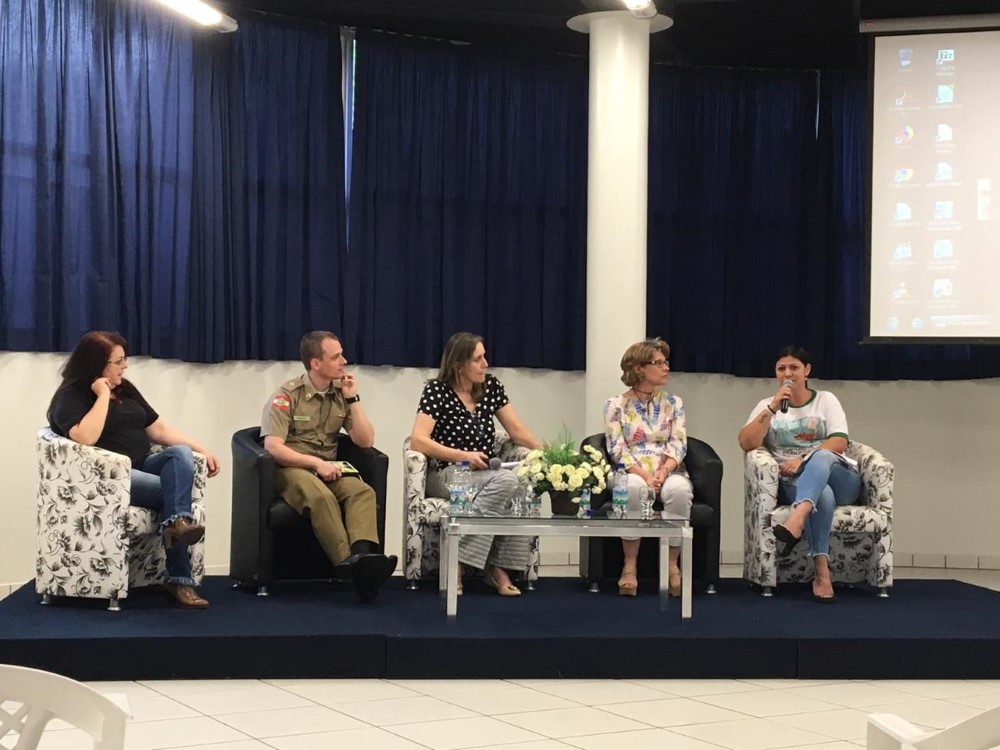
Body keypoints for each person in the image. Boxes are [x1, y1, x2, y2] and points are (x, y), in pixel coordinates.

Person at [47, 331, 220, 609]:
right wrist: (102, 394)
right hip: (107, 479)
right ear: (97, 364)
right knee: (175, 493)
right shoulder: (70, 397)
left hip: (142, 464)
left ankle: (177, 523)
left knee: (181, 454)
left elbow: (158, 429)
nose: (124, 366)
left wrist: (203, 448)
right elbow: (85, 437)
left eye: (124, 360)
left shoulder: (126, 389)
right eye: (118, 361)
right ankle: (179, 578)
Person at [261, 331, 396, 603]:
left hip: (329, 467)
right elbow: (273, 447)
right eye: (336, 357)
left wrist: (353, 399)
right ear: (315, 363)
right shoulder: (288, 394)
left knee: (362, 491)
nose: (344, 361)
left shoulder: (339, 394)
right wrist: (315, 463)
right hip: (292, 468)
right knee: (321, 497)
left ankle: (362, 559)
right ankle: (349, 565)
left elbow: (365, 441)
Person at [409, 332, 542, 596]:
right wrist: (462, 455)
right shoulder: (437, 391)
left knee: (519, 481)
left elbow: (516, 431)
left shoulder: (491, 387)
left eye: (484, 357)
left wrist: (547, 451)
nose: (486, 364)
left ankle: (497, 566)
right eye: (478, 359)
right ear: (459, 365)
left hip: (485, 474)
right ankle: (463, 565)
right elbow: (418, 440)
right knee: (506, 481)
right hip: (447, 473)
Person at [737, 345, 861, 604]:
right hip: (795, 483)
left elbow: (839, 441)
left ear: (807, 370)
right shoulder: (767, 405)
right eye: (781, 369)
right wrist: (771, 408)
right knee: (821, 495)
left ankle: (796, 519)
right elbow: (746, 443)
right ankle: (822, 574)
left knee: (822, 455)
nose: (787, 374)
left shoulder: (825, 400)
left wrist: (804, 458)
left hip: (841, 479)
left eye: (794, 367)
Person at [604, 338, 693, 597]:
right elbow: (616, 448)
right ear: (639, 368)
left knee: (679, 491)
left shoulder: (674, 403)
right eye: (659, 363)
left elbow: (679, 443)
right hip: (631, 471)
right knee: (633, 488)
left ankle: (672, 565)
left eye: (666, 362)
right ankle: (629, 565)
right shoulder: (615, 405)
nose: (666, 367)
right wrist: (644, 475)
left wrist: (663, 472)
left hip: (669, 469)